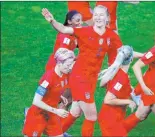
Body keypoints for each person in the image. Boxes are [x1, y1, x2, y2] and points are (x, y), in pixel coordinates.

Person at [42, 5, 124, 136]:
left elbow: (123, 52)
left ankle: (54, 133)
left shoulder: (111, 36)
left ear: (107, 18)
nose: (98, 17)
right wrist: (52, 20)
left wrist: (145, 56)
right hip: (80, 78)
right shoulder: (84, 31)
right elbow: (63, 28)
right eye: (95, 14)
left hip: (91, 80)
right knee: (91, 117)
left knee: (75, 112)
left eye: (101, 15)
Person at [22, 48, 75, 137]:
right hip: (38, 115)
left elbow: (54, 89)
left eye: (71, 65)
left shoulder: (65, 74)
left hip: (51, 115)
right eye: (68, 65)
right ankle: (28, 115)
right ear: (59, 63)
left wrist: (60, 97)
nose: (70, 68)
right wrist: (56, 111)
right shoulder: (48, 78)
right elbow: (36, 101)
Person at [98, 46, 137, 136]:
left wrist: (129, 89)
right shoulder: (122, 78)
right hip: (111, 118)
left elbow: (103, 84)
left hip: (111, 117)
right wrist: (129, 101)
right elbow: (108, 100)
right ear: (131, 60)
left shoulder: (116, 71)